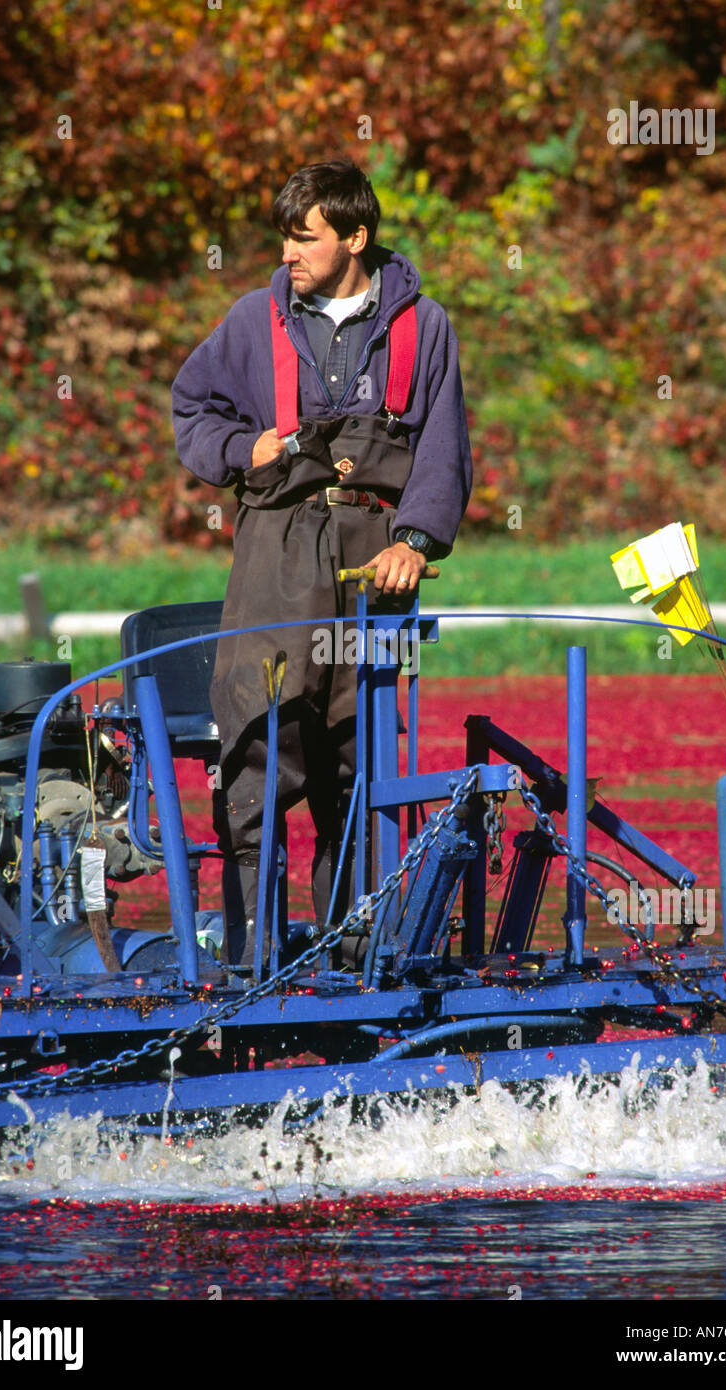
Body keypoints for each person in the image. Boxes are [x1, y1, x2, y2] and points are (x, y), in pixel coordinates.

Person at [172, 157, 472, 968]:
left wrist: (413, 542)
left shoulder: (425, 325)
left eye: (303, 239)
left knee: (359, 751)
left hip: (375, 558)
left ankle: (356, 953)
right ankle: (252, 958)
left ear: (355, 238)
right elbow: (190, 408)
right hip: (276, 546)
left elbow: (441, 451)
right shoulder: (250, 320)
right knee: (260, 735)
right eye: (284, 239)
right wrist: (244, 447)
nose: (287, 255)